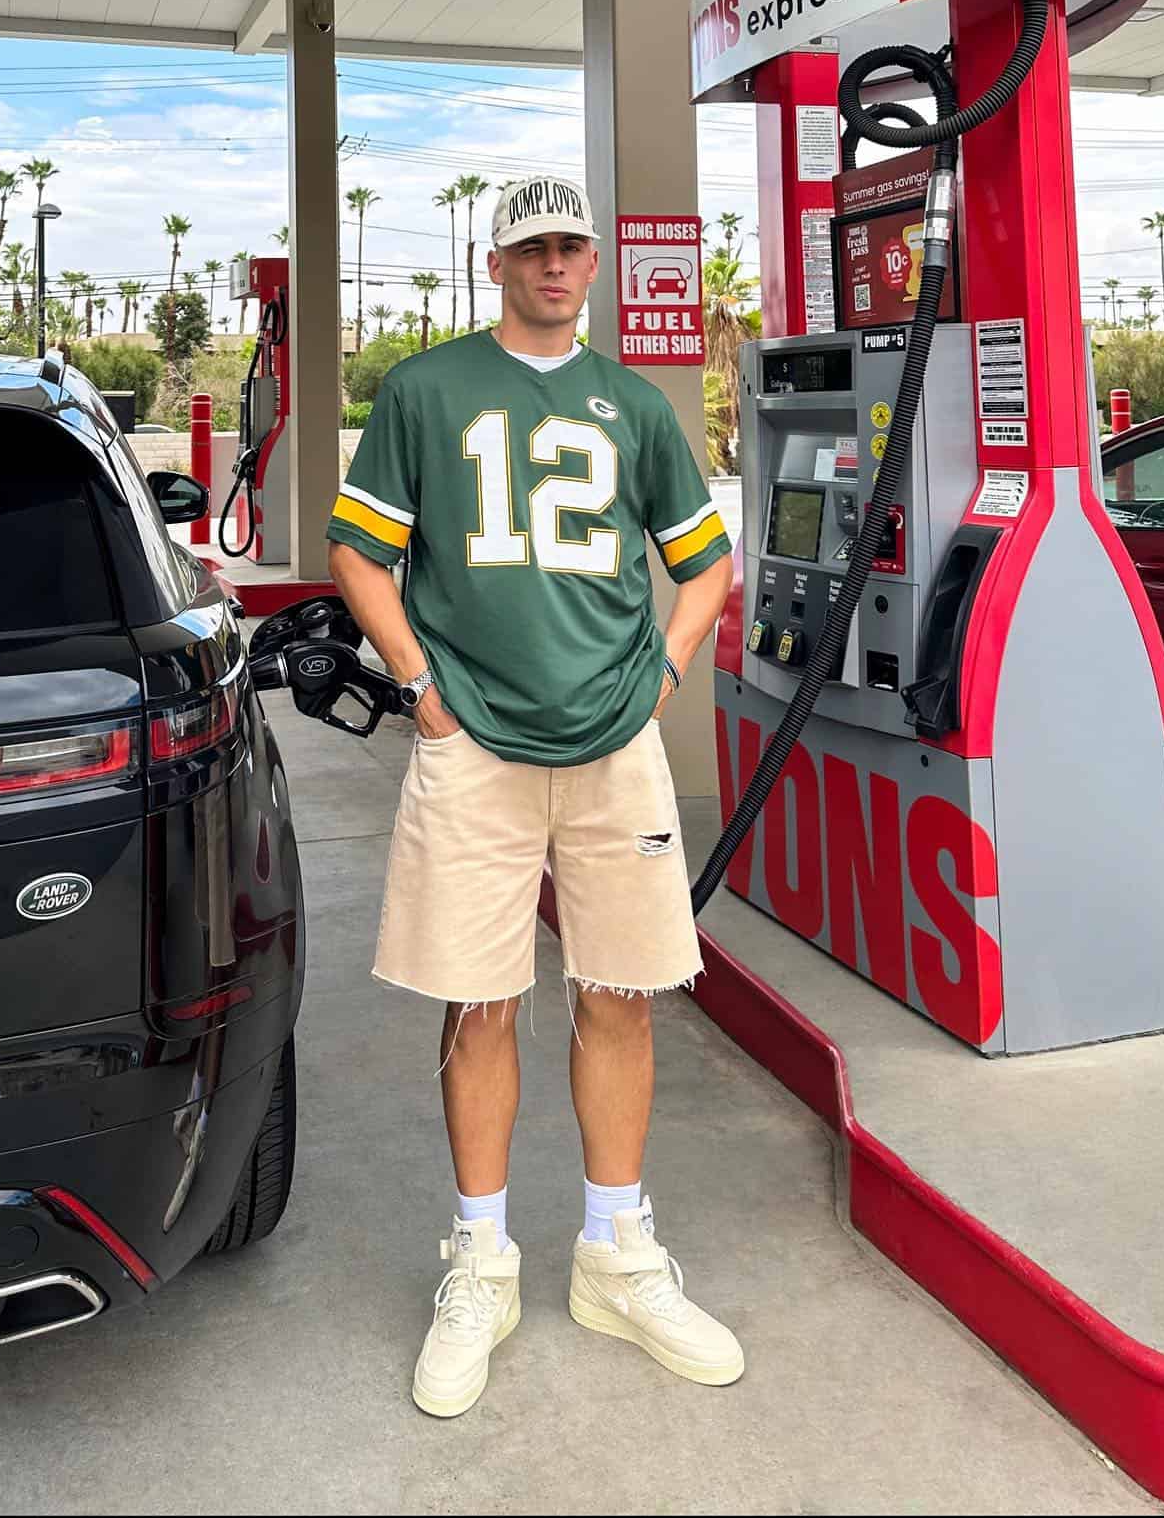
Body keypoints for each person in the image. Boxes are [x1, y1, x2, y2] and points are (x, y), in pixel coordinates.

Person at [326, 174, 740, 1419]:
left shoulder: (635, 407)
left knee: (620, 989)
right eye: (531, 248)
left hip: (612, 741)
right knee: (479, 1000)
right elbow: (360, 549)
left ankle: (617, 1252)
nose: (554, 265)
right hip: (477, 746)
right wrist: (421, 689)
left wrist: (662, 668)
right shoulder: (425, 388)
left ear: (596, 261)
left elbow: (703, 565)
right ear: (494, 259)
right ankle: (482, 1258)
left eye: (571, 247)